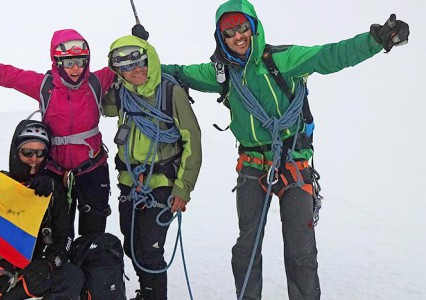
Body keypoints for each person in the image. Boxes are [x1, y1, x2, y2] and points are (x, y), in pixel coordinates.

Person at [155, 0, 410, 299]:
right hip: (251, 164)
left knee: (300, 249)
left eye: (242, 28)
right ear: (219, 37)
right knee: (246, 246)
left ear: (253, 28)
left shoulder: (282, 60)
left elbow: (330, 55)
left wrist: (374, 40)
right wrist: (140, 60)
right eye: (228, 32)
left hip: (292, 163)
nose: (237, 36)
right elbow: (180, 73)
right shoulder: (221, 74)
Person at [0, 29, 117, 237]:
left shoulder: (96, 82)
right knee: (60, 232)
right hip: (55, 172)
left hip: (92, 170)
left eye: (81, 61)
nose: (76, 68)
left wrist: (141, 44)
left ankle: (92, 267)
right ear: (57, 62)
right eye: (68, 63)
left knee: (94, 234)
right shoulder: (45, 86)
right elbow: (4, 73)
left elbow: (128, 64)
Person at [102, 35, 202, 300]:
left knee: (149, 249)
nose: (136, 71)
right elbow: (99, 105)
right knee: (131, 244)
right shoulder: (121, 93)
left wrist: (183, 188)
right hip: (129, 181)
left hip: (163, 184)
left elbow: (192, 138)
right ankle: (146, 292)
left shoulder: (170, 93)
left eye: (140, 63)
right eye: (125, 67)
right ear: (117, 70)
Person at [0, 119, 83, 300]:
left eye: (40, 153)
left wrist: (49, 263)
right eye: (27, 152)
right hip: (2, 265)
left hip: (38, 265)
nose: (34, 159)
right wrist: (21, 192)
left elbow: (65, 235)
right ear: (15, 152)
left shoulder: (53, 189)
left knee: (71, 276)